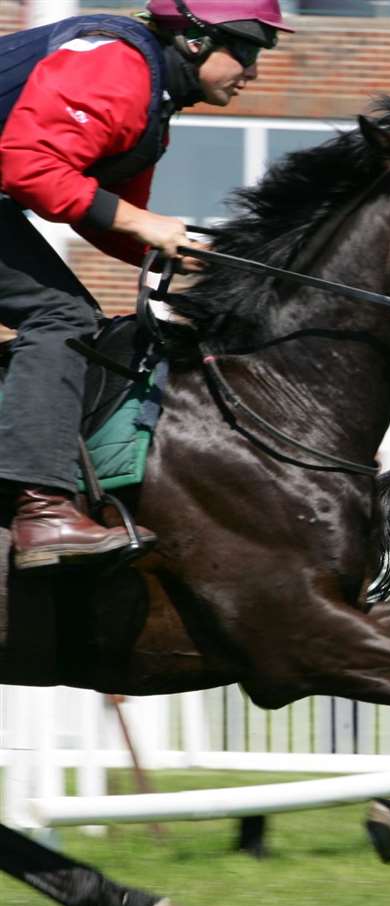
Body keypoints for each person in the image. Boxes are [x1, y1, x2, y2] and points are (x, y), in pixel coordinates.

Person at [0, 0, 291, 571]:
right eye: (249, 50)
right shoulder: (118, 66)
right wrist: (148, 229)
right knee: (64, 319)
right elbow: (28, 168)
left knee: (77, 321)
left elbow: (105, 213)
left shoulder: (153, 103)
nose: (254, 71)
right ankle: (42, 511)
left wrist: (188, 261)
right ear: (195, 41)